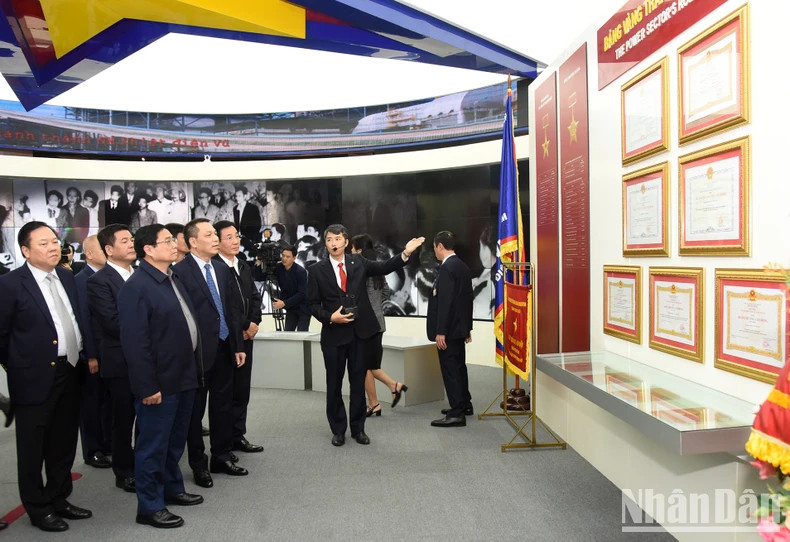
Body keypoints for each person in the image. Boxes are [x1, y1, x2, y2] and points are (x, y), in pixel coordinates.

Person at [0, 221, 93, 532]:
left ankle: (59, 497)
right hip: (33, 379)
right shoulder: (10, 285)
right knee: (32, 447)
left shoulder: (67, 277)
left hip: (70, 371)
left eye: (55, 241)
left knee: (63, 441)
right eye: (44, 243)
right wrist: (20, 367)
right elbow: (2, 337)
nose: (54, 247)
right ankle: (37, 508)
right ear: (25, 250)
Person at [307, 224, 424, 447]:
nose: (333, 243)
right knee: (334, 385)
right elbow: (311, 305)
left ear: (346, 242)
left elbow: (384, 266)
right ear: (326, 243)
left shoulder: (358, 261)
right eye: (329, 239)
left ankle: (358, 429)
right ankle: (338, 430)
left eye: (338, 239)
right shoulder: (315, 270)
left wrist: (406, 253)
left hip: (360, 334)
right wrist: (331, 317)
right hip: (333, 336)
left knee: (358, 383)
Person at [118, 224, 203, 528]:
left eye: (173, 239)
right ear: (148, 250)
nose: (174, 244)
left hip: (183, 376)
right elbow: (135, 343)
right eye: (166, 241)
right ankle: (149, 506)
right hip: (159, 382)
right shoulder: (137, 287)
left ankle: (172, 488)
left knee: (174, 441)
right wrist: (146, 386)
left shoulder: (171, 277)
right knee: (152, 446)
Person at [173, 218, 247, 488]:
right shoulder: (179, 272)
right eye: (209, 234)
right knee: (194, 412)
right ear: (193, 241)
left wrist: (238, 345)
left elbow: (233, 312)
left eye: (216, 233)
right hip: (197, 352)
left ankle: (221, 455)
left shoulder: (221, 269)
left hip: (226, 348)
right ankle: (198, 464)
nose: (216, 238)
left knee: (223, 405)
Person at [87, 224, 139, 493]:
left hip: (149, 361)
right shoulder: (99, 281)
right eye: (124, 241)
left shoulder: (142, 275)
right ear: (109, 249)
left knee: (148, 418)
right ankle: (124, 471)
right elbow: (112, 323)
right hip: (120, 362)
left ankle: (146, 466)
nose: (132, 244)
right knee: (122, 420)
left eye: (132, 239)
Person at [213, 221, 264, 454]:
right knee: (225, 393)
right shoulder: (214, 268)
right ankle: (223, 442)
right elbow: (227, 307)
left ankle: (237, 435)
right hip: (228, 338)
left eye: (237, 236)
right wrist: (244, 325)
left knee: (242, 390)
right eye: (229, 237)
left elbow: (254, 297)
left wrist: (254, 323)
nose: (236, 241)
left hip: (246, 336)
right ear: (217, 241)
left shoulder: (243, 265)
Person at [350, 234, 407, 417]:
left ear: (358, 250)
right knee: (370, 365)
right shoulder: (377, 270)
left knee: (366, 365)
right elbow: (386, 294)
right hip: (379, 323)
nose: (351, 253)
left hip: (366, 324)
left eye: (352, 249)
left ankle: (380, 397)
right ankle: (386, 393)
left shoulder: (361, 270)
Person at [427, 231, 474, 428]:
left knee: (451, 370)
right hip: (458, 328)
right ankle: (464, 404)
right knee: (459, 367)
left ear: (439, 246)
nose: (435, 252)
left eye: (434, 248)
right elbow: (465, 301)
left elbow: (446, 303)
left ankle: (456, 413)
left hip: (449, 330)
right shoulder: (461, 266)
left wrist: (441, 331)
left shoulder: (447, 269)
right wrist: (466, 328)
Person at [73, 235, 112, 470]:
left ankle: (109, 444)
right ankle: (93, 450)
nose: (107, 251)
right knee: (91, 403)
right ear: (89, 253)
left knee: (109, 403)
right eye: (102, 248)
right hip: (93, 352)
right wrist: (91, 355)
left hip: (112, 352)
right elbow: (84, 320)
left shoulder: (110, 276)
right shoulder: (82, 280)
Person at [273, 244, 310, 331]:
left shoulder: (301, 271)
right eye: (283, 256)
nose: (284, 258)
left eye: (288, 257)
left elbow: (302, 293)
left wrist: (284, 303)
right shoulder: (279, 267)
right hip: (291, 308)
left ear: (294, 258)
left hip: (303, 308)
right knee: (288, 333)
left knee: (302, 336)